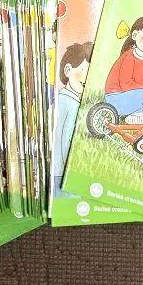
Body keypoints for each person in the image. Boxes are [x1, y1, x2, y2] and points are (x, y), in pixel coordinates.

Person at [103, 15, 143, 118]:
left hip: (138, 98)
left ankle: (137, 117)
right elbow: (125, 84)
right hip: (116, 97)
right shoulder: (129, 57)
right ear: (135, 35)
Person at [53, 41, 91, 191]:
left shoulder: (69, 100)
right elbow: (65, 140)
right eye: (83, 70)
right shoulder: (67, 102)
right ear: (68, 70)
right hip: (61, 174)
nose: (87, 78)